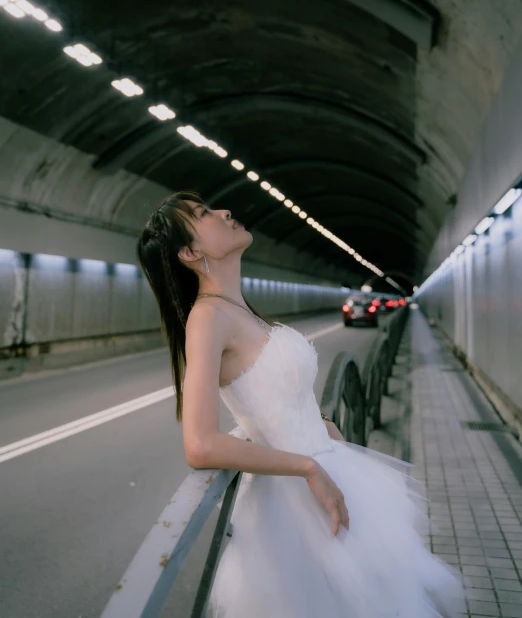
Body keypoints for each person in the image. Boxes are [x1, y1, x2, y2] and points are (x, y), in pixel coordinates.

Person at [136, 190, 467, 617]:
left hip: (329, 469)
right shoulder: (207, 318)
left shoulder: (238, 309)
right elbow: (200, 444)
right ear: (190, 251)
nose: (224, 211)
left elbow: (274, 393)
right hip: (295, 507)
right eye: (204, 214)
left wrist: (320, 421)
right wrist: (309, 467)